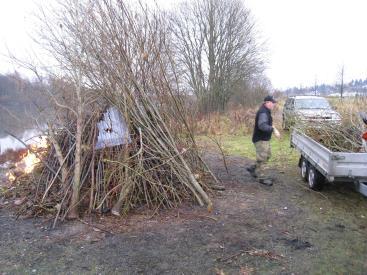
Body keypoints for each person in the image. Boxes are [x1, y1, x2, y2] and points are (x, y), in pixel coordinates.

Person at [247, 95, 280, 186]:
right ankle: (262, 178)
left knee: (267, 155)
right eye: (272, 103)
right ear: (267, 102)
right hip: (260, 139)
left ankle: (253, 168)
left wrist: (272, 128)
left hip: (264, 139)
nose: (274, 104)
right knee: (263, 158)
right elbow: (262, 125)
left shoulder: (266, 111)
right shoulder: (263, 112)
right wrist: (273, 129)